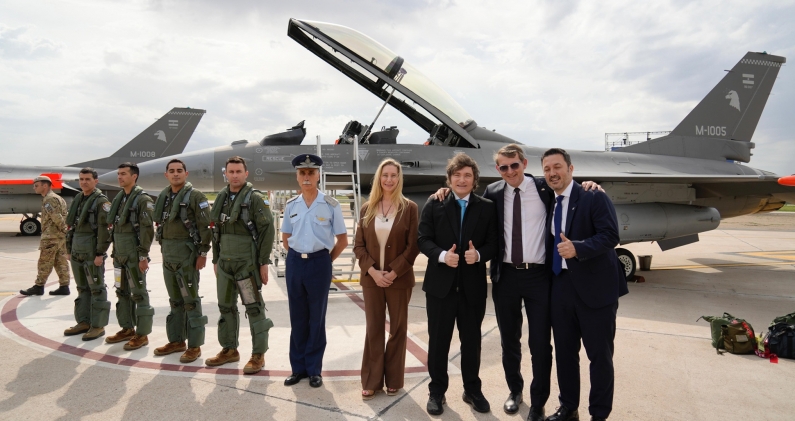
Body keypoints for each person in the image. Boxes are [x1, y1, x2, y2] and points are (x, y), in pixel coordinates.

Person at [431, 145, 601, 420]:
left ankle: (538, 401)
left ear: (523, 163)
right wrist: (446, 192)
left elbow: (568, 188)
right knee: (509, 340)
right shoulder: (494, 192)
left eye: (514, 165)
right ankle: (515, 391)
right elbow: (469, 205)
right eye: (503, 167)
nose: (510, 171)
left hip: (539, 276)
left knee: (539, 343)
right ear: (498, 169)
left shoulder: (544, 189)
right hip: (506, 275)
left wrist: (589, 184)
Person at [542, 148, 627, 421]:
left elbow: (610, 236)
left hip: (595, 290)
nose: (552, 173)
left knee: (599, 358)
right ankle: (568, 408)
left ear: (570, 168)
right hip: (561, 287)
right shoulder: (548, 200)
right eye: (547, 169)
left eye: (557, 167)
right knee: (565, 354)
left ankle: (599, 414)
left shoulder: (593, 196)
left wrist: (578, 248)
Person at [418, 153, 498, 416]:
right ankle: (437, 392)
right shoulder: (435, 203)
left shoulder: (486, 207)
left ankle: (472, 389)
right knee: (438, 342)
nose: (462, 179)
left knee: (472, 341)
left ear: (474, 179)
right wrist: (442, 256)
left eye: (467, 175)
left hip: (472, 288)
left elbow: (494, 243)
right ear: (449, 178)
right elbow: (423, 239)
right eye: (457, 174)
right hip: (440, 288)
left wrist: (480, 255)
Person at [353, 158, 420, 400]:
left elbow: (413, 246)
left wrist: (393, 272)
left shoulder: (409, 208)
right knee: (374, 329)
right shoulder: (366, 208)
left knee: (398, 329)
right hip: (372, 280)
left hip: (398, 279)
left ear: (399, 178)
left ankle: (393, 379)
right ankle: (371, 381)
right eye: (385, 175)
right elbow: (358, 246)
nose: (389, 179)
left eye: (394, 175)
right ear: (379, 179)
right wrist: (372, 271)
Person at [281, 154, 348, 388]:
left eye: (311, 172)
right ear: (297, 176)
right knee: (298, 317)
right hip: (295, 262)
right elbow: (285, 238)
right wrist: (298, 257)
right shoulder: (291, 205)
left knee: (317, 318)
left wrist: (325, 261)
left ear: (318, 175)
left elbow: (342, 239)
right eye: (302, 173)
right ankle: (298, 368)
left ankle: (314, 369)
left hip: (320, 262)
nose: (306, 177)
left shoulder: (330, 205)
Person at [205, 156, 275, 374]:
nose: (234, 175)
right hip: (225, 263)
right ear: (225, 173)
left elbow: (267, 231)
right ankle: (229, 349)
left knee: (253, 307)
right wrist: (216, 259)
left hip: (246, 263)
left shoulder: (255, 199)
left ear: (246, 174)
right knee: (225, 307)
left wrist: (263, 262)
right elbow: (215, 231)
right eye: (230, 172)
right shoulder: (221, 198)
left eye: (238, 171)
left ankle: (258, 355)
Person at [152, 159, 212, 364]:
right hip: (168, 254)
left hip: (187, 254)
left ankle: (194, 345)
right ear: (166, 175)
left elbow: (205, 227)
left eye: (179, 171)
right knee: (175, 301)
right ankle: (176, 341)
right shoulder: (164, 196)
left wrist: (203, 252)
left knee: (190, 300)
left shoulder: (196, 197)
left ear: (186, 174)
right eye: (172, 171)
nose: (175, 174)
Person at [105, 162, 155, 351]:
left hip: (134, 255)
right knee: (121, 291)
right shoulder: (120, 199)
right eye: (118, 174)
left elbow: (147, 229)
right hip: (119, 255)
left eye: (123, 174)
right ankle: (127, 328)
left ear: (134, 176)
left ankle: (142, 335)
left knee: (139, 293)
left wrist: (143, 255)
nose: (119, 177)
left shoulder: (142, 200)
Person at [62, 168, 112, 341]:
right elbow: (71, 228)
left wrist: (100, 253)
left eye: (88, 179)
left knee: (97, 289)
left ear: (95, 181)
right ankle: (83, 321)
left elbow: (105, 230)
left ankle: (98, 325)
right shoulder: (78, 199)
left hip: (92, 251)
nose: (84, 182)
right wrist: (68, 250)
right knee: (82, 289)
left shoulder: (101, 202)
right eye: (81, 179)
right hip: (77, 250)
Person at [20, 175, 70, 296]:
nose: (34, 188)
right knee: (60, 261)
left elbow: (56, 217)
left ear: (45, 185)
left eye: (36, 185)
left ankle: (39, 286)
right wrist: (65, 233)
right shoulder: (58, 197)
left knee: (44, 262)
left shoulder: (49, 199)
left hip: (51, 237)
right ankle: (64, 286)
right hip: (59, 237)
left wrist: (64, 230)